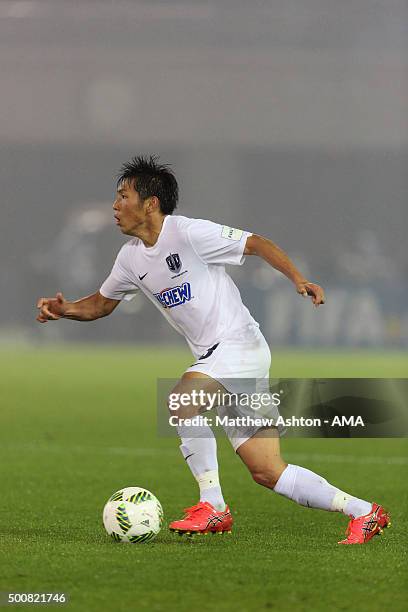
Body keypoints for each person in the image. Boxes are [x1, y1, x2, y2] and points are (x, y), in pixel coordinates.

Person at [36, 155, 390, 544]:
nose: (115, 206)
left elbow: (256, 243)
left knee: (181, 401)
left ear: (150, 203)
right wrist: (65, 309)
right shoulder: (130, 257)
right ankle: (364, 511)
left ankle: (214, 506)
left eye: (123, 196)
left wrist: (298, 279)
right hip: (224, 358)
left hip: (238, 344)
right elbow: (102, 304)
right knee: (267, 471)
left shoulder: (187, 234)